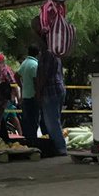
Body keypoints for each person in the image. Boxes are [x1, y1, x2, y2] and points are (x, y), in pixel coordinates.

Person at [33, 18, 67, 156]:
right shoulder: (56, 52)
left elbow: (44, 75)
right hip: (58, 88)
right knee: (55, 120)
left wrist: (38, 92)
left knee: (51, 121)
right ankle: (57, 146)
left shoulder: (47, 53)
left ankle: (60, 147)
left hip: (50, 90)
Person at [16, 45, 41, 139]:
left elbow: (16, 75)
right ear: (37, 53)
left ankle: (28, 140)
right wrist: (38, 94)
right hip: (33, 96)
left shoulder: (24, 63)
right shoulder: (35, 65)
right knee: (34, 120)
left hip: (25, 96)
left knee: (26, 120)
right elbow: (36, 81)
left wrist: (21, 86)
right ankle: (33, 140)